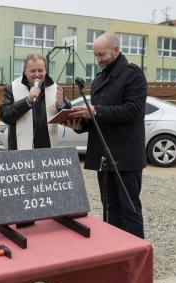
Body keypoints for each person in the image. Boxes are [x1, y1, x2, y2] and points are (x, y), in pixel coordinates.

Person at [67, 33, 147, 239]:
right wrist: (78, 123)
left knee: (130, 209)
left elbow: (132, 111)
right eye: (96, 55)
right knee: (110, 209)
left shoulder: (133, 75)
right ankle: (114, 251)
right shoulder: (98, 80)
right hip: (104, 155)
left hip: (126, 157)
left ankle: (134, 256)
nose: (99, 59)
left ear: (116, 50)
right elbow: (98, 119)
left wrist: (95, 111)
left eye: (102, 54)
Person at [0, 53, 71, 150]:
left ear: (45, 71)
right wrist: (27, 101)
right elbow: (4, 115)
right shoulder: (11, 88)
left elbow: (69, 117)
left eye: (40, 70)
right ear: (25, 71)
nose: (37, 74)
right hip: (20, 151)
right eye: (32, 71)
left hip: (47, 149)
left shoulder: (54, 88)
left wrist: (61, 105)